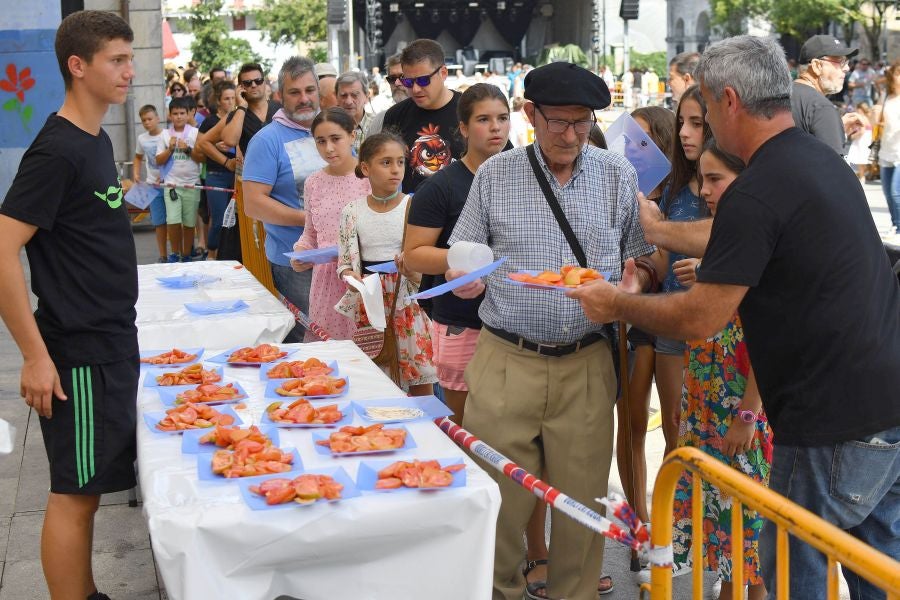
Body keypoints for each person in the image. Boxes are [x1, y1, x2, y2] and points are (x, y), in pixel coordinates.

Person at [569, 35, 900, 600]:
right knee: (878, 571)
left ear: (728, 100)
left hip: (826, 424)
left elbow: (701, 318)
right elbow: (743, 243)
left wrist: (615, 302)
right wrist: (660, 234)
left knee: (796, 577)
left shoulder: (760, 187)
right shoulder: (817, 160)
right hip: (880, 405)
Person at [447, 62, 656, 600]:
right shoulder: (497, 174)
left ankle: (575, 593)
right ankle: (497, 591)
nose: (570, 135)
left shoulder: (615, 173)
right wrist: (463, 278)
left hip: (586, 360)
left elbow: (644, 256)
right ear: (530, 115)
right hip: (506, 357)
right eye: (558, 122)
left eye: (582, 122)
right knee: (495, 501)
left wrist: (634, 286)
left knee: (582, 507)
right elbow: (464, 254)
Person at [0, 11, 138, 600]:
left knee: (89, 489)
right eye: (117, 60)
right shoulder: (57, 150)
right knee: (74, 495)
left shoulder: (97, 138)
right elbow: (3, 249)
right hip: (77, 350)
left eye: (131, 58)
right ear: (77, 66)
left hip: (111, 340)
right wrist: (34, 357)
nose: (129, 71)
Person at [666, 140, 772, 600]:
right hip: (705, 401)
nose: (705, 190)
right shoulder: (726, 240)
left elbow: (772, 343)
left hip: (741, 409)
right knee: (717, 510)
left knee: (748, 514)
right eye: (702, 178)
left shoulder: (760, 240)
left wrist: (748, 413)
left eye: (716, 180)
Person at [404, 83, 510, 420]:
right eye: (484, 119)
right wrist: (467, 261)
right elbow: (414, 254)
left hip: (516, 319)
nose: (496, 127)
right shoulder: (440, 187)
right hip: (462, 320)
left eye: (503, 118)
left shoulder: (525, 178)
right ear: (463, 128)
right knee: (466, 429)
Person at [334, 133, 438, 395]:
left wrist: (412, 268)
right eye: (386, 162)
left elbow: (429, 256)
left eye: (400, 162)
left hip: (410, 301)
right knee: (378, 377)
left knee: (419, 376)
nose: (395, 170)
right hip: (371, 303)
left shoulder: (414, 206)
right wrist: (350, 278)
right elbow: (345, 262)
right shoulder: (352, 211)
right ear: (366, 168)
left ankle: (428, 432)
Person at [615, 105, 677, 528]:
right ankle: (639, 526)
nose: (633, 150)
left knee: (676, 426)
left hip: (675, 319)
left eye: (643, 141)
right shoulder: (618, 186)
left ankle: (674, 525)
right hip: (633, 320)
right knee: (631, 420)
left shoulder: (686, 192)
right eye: (629, 139)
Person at [242, 56, 326, 342]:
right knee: (308, 342)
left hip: (340, 259)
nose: (304, 99)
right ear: (279, 96)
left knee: (340, 342)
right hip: (295, 262)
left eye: (309, 90)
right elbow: (253, 203)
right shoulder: (267, 140)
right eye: (294, 92)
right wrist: (309, 220)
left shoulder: (333, 132)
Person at [655, 85, 711, 457]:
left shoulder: (741, 186)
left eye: (697, 123)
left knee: (713, 436)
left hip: (720, 331)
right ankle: (676, 514)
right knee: (675, 431)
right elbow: (661, 261)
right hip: (672, 321)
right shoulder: (674, 188)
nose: (684, 133)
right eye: (680, 122)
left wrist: (709, 267)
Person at [291, 107, 371, 340]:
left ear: (352, 136)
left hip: (361, 279)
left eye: (336, 139)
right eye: (321, 141)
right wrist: (301, 253)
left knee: (367, 353)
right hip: (325, 283)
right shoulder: (314, 182)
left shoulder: (369, 179)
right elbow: (310, 234)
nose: (329, 148)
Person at [382, 39, 465, 193]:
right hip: (412, 212)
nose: (416, 89)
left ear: (443, 73)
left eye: (423, 80)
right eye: (408, 82)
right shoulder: (395, 116)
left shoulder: (470, 110)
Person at [792, 34, 866, 156]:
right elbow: (833, 169)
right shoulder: (821, 107)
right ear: (816, 66)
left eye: (847, 62)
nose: (847, 68)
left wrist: (835, 130)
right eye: (840, 61)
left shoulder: (784, 94)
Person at [155, 96, 202, 262]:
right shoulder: (165, 134)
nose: (179, 116)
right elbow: (158, 160)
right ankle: (174, 254)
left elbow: (201, 158)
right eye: (175, 113)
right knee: (173, 220)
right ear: (170, 115)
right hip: (171, 185)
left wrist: (187, 148)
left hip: (192, 184)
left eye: (182, 113)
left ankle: (186, 254)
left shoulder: (196, 133)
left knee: (189, 223)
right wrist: (170, 149)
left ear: (189, 114)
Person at [195, 81, 238, 259]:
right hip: (216, 175)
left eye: (233, 98)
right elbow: (198, 149)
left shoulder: (239, 118)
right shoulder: (209, 122)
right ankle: (212, 255)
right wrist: (217, 149)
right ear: (218, 101)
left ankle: (231, 256)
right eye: (226, 98)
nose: (230, 102)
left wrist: (231, 150)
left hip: (237, 176)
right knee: (218, 219)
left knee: (235, 222)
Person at [133, 104, 169, 262]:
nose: (147, 123)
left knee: (175, 220)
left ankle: (179, 252)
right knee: (158, 221)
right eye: (143, 120)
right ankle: (163, 255)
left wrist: (165, 175)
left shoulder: (167, 135)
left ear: (158, 118)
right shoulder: (142, 138)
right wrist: (135, 173)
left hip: (170, 184)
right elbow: (138, 157)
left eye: (150, 119)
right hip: (152, 185)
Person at [878, 59, 900, 242]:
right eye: (898, 73)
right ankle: (895, 224)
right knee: (887, 192)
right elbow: (876, 119)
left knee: (895, 191)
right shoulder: (886, 95)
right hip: (886, 149)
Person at [335, 71, 372, 153]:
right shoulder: (329, 126)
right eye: (343, 95)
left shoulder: (378, 126)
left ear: (366, 96)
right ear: (336, 97)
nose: (349, 101)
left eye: (354, 95)